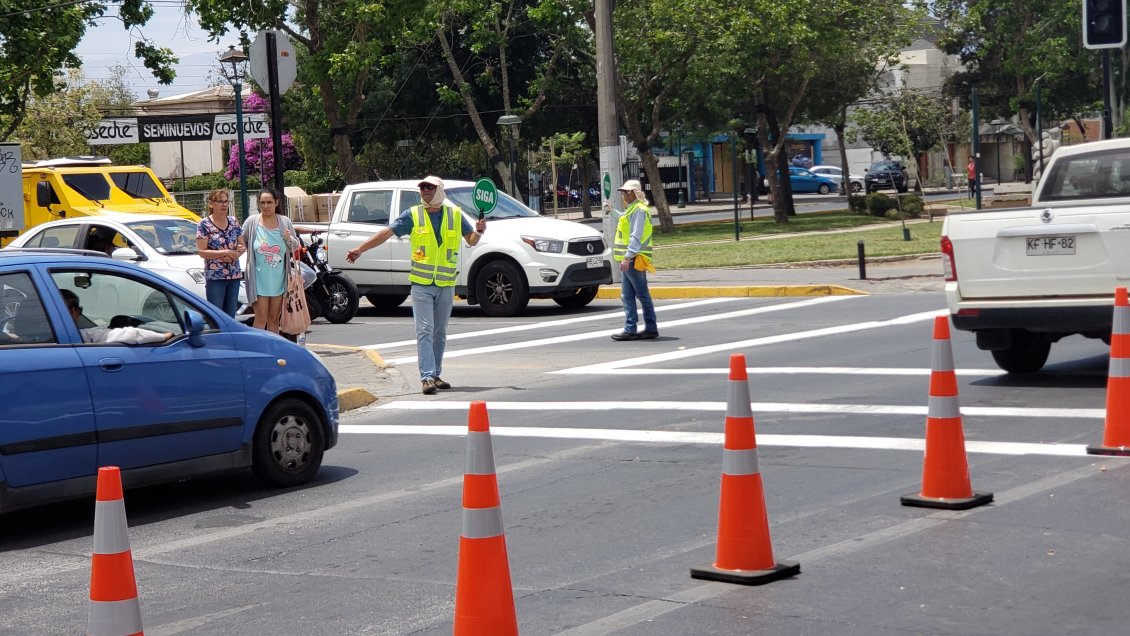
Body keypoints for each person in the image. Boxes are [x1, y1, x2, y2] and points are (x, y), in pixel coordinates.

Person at [345, 175, 485, 395]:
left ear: (439, 190)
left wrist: (479, 230)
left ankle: (436, 375)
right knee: (425, 330)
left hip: (445, 283)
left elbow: (471, 240)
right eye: (422, 188)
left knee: (440, 332)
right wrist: (360, 249)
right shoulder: (413, 215)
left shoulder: (455, 215)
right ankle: (426, 377)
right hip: (421, 284)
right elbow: (386, 233)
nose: (425, 191)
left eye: (429, 187)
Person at [242, 187, 298, 334]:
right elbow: (241, 242)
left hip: (278, 280)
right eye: (262, 202)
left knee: (274, 318)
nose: (266, 206)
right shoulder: (252, 222)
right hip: (258, 280)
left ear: (276, 203)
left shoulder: (285, 222)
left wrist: (289, 238)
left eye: (269, 202)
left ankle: (273, 351)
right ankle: (257, 353)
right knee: (261, 319)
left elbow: (295, 246)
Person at [611, 179, 658, 341]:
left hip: (633, 259)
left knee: (640, 294)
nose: (624, 194)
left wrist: (627, 257)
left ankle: (646, 328)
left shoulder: (638, 209)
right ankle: (632, 328)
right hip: (630, 259)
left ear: (636, 193)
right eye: (623, 192)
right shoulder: (633, 209)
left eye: (627, 192)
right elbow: (624, 218)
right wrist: (612, 211)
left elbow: (635, 236)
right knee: (627, 295)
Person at [196, 188, 246, 316]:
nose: (224, 204)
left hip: (234, 275)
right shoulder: (204, 224)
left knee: (230, 315)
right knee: (216, 314)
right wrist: (226, 252)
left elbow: (242, 245)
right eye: (220, 201)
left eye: (226, 201)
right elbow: (202, 251)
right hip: (216, 276)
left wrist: (235, 255)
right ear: (211, 204)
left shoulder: (233, 221)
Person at [60, 289, 173, 344]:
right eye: (79, 310)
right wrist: (163, 337)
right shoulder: (76, 337)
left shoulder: (46, 337)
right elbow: (129, 335)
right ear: (73, 311)